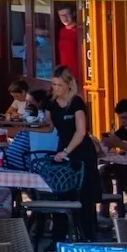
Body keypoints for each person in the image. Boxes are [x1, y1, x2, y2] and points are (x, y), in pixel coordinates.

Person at [50, 67, 100, 239]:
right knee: (60, 192)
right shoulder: (52, 103)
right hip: (62, 147)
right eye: (54, 85)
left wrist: (66, 152)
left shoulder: (76, 102)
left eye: (59, 85)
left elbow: (81, 131)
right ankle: (59, 237)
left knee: (84, 196)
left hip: (80, 150)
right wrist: (24, 127)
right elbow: (48, 126)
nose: (56, 89)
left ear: (69, 84)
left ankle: (88, 236)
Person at [100, 98, 127, 213]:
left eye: (125, 117)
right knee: (104, 170)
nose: (123, 121)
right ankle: (104, 211)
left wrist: (118, 143)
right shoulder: (125, 128)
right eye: (121, 118)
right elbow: (114, 141)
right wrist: (104, 144)